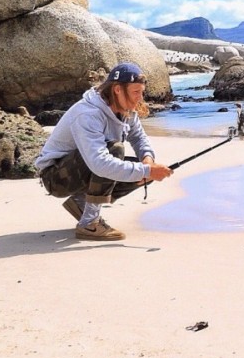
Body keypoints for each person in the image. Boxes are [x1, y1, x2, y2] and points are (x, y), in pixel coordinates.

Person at [35, 62, 173, 241]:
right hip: (56, 178)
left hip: (82, 170)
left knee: (138, 170)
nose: (140, 98)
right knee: (115, 151)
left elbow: (138, 137)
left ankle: (81, 203)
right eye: (136, 92)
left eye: (142, 92)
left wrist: (147, 161)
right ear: (117, 89)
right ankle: (89, 224)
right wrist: (147, 171)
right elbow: (99, 164)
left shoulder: (126, 110)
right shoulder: (88, 114)